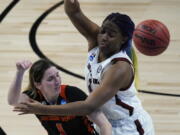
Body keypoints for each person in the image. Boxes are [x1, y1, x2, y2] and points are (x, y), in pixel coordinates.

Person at [14, 0, 155, 135]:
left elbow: (89, 106)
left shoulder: (119, 68)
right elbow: (74, 12)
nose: (104, 37)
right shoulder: (97, 39)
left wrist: (44, 109)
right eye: (102, 31)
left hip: (129, 128)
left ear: (123, 39)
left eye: (111, 35)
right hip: (103, 122)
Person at [8, 59, 112, 135]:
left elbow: (105, 125)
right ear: (38, 84)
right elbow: (13, 101)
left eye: (57, 75)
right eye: (50, 79)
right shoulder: (35, 97)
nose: (57, 81)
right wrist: (19, 73)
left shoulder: (73, 94)